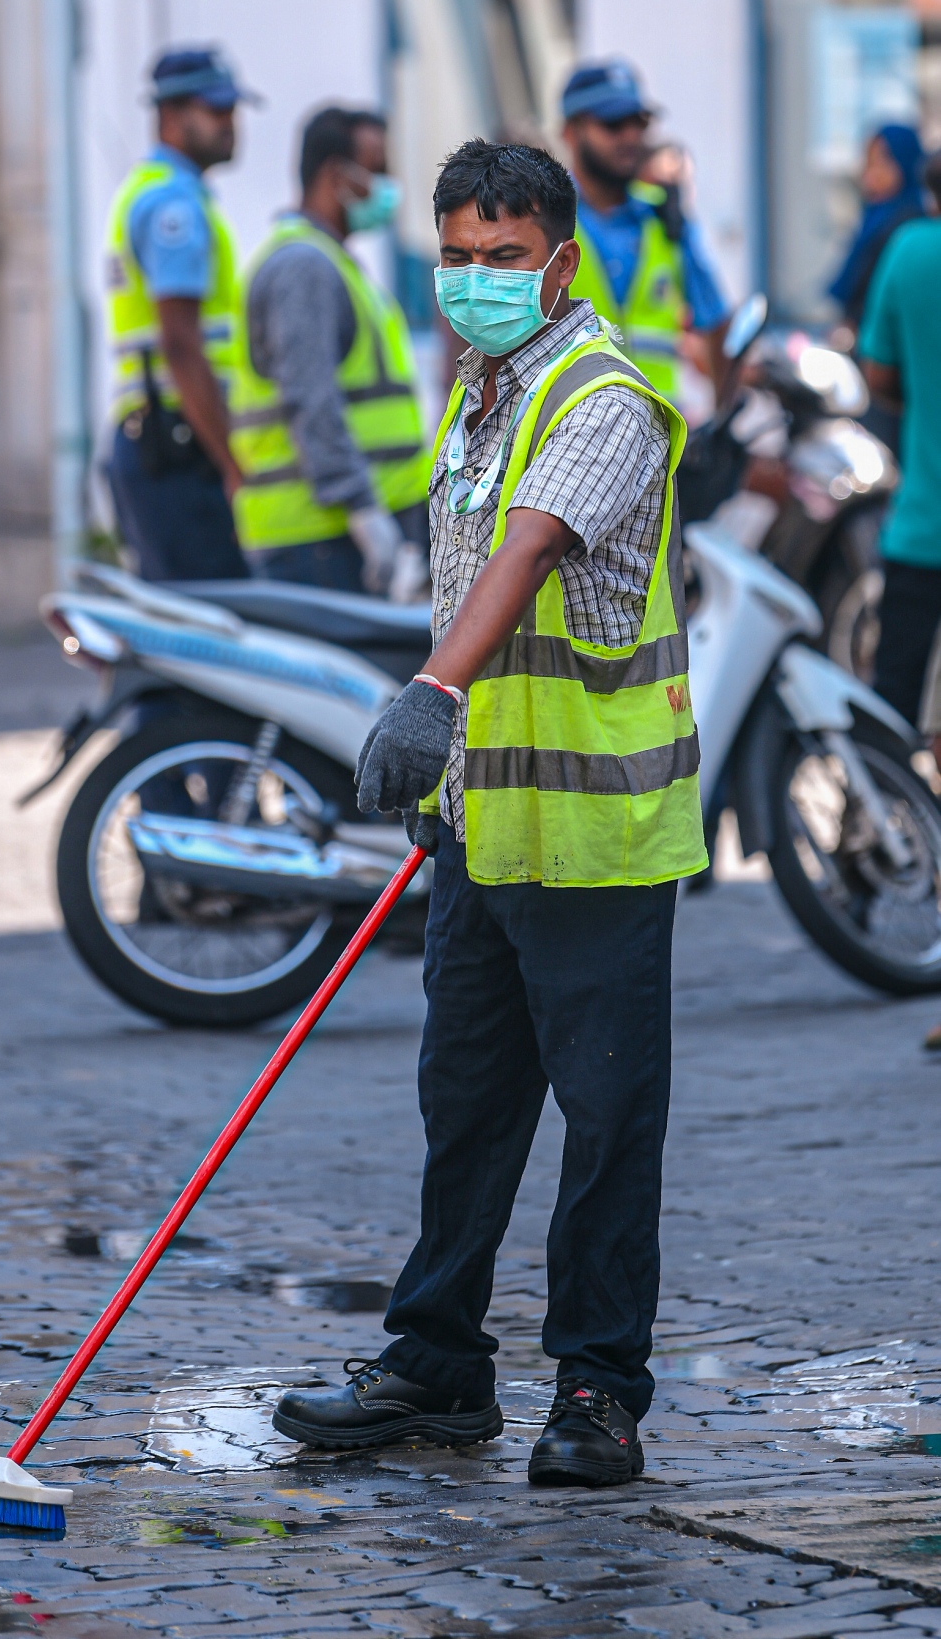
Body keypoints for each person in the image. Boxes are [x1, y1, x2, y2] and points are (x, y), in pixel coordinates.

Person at [272, 140, 706, 1486]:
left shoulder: (603, 394)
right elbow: (463, 562)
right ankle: (439, 1363)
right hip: (481, 829)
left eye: (502, 258)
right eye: (456, 257)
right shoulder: (476, 392)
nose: (475, 280)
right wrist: (442, 775)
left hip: (593, 834)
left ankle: (597, 1386)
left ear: (561, 263)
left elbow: (525, 546)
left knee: (605, 1118)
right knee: (464, 1104)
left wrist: (426, 693)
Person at [229, 106, 431, 595]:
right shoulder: (305, 268)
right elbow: (310, 399)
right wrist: (363, 511)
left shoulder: (332, 262)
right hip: (325, 539)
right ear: (336, 176)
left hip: (340, 535)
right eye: (377, 169)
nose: (388, 186)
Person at [104, 48, 252, 581]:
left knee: (179, 620)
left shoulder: (155, 194)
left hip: (161, 440)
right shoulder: (175, 209)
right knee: (205, 631)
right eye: (215, 111)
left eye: (232, 110)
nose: (230, 125)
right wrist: (230, 462)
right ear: (170, 116)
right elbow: (182, 345)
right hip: (176, 447)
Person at [559, 60, 729, 407]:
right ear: (571, 133)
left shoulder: (665, 219)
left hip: (659, 447)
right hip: (570, 444)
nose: (631, 136)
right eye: (613, 124)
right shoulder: (545, 220)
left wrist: (724, 420)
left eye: (639, 122)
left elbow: (716, 319)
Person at [858, 151, 941, 730]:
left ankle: (884, 818)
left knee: (892, 714)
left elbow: (879, 373)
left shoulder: (912, 249)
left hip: (924, 530)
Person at [829, 123, 927, 332]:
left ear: (904, 162)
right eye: (868, 161)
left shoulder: (908, 224)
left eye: (880, 162)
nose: (870, 173)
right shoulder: (874, 216)